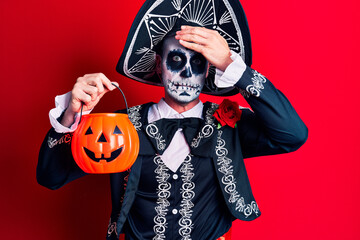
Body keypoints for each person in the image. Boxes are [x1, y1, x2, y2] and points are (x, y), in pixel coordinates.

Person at [37, 0, 308, 239]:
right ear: (159, 66)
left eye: (199, 62)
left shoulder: (230, 125)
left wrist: (231, 66)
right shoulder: (119, 128)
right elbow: (50, 176)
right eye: (176, 60)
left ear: (208, 70)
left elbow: (293, 134)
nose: (187, 72)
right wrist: (72, 113)